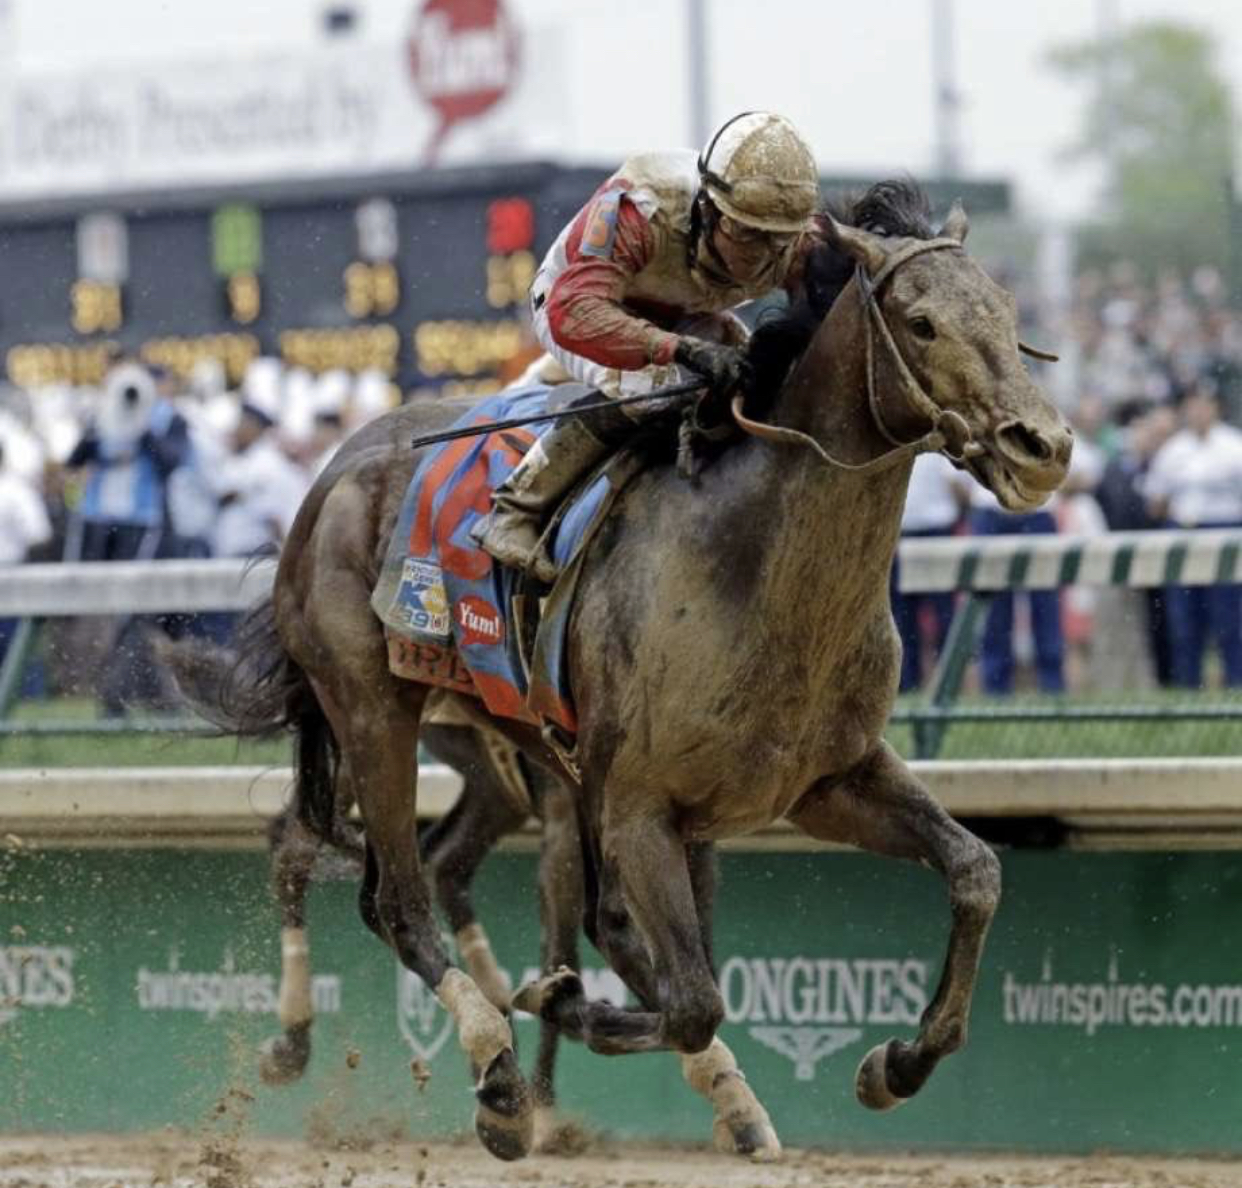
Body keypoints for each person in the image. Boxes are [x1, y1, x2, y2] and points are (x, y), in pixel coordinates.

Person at [476, 111, 822, 580]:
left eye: (778, 241)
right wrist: (679, 349)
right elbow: (574, 311)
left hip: (691, 310)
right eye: (746, 233)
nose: (762, 255)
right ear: (707, 208)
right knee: (660, 389)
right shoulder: (638, 210)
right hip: (578, 305)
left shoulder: (798, 239)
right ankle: (516, 507)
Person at [1143, 378, 1242, 687]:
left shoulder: (1234, 446)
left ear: (1216, 408)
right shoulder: (1174, 450)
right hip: (1184, 533)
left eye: (1205, 405)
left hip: (1224, 531)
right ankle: (1188, 686)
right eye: (1193, 406)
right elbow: (1155, 502)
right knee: (1184, 618)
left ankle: (1235, 684)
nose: (1198, 411)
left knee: (1230, 618)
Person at [890, 453, 968, 691]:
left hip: (936, 532)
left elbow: (958, 487)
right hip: (902, 534)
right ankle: (906, 682)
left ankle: (947, 682)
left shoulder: (939, 451)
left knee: (942, 612)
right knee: (903, 615)